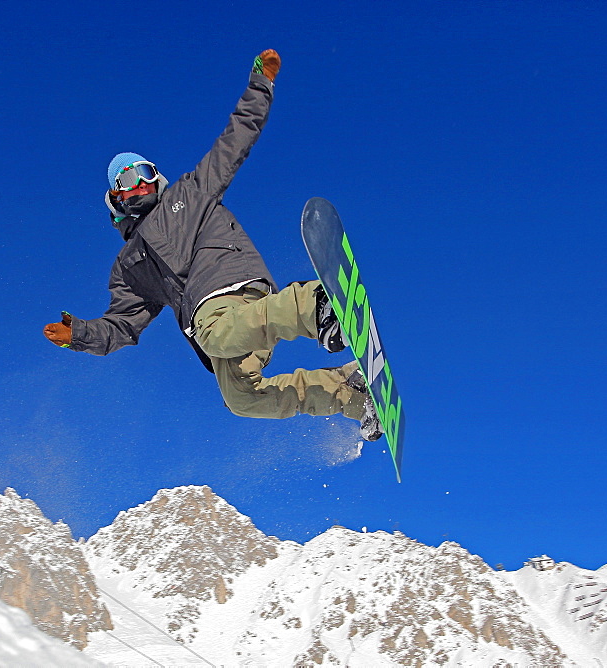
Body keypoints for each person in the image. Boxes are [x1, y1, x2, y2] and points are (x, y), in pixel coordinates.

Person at [43, 50, 381, 440]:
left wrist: (262, 84)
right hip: (221, 332)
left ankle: (315, 304)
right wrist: (80, 335)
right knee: (241, 400)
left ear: (157, 178)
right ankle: (353, 394)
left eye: (142, 173)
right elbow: (122, 325)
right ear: (115, 199)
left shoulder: (189, 192)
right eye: (125, 181)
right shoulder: (128, 269)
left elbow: (234, 140)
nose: (136, 184)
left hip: (231, 287)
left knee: (215, 331)